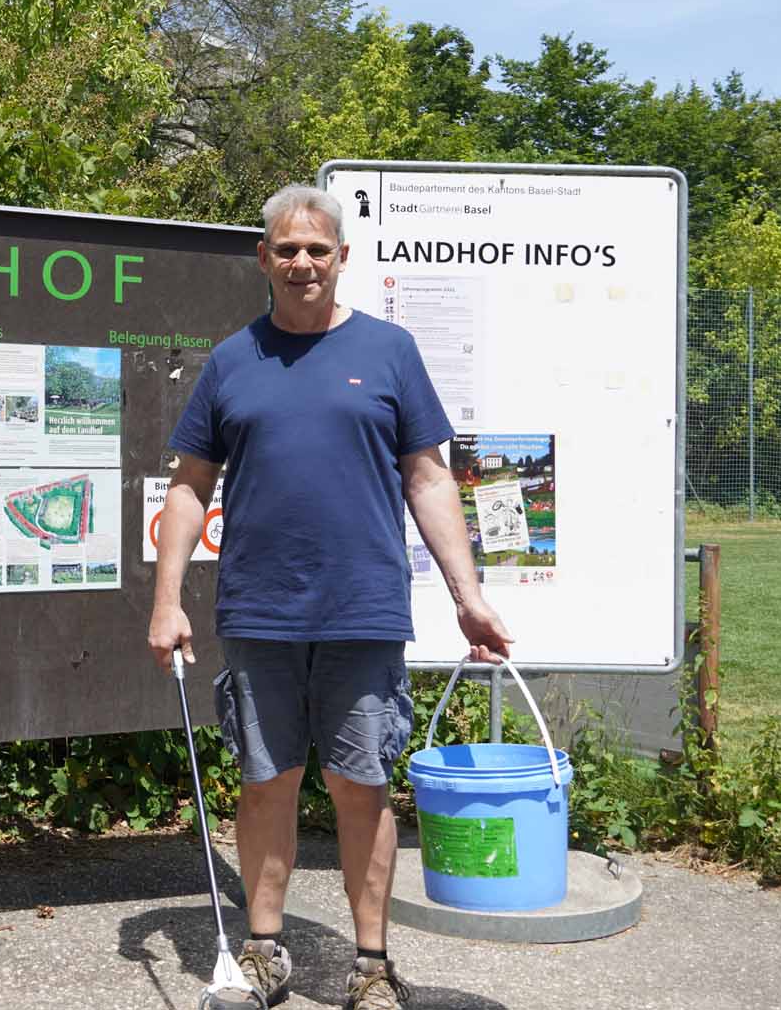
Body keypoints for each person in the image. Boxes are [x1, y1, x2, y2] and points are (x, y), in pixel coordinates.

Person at [147, 183, 513, 1009]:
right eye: (287, 248)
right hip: (260, 611)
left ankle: (372, 965)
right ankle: (265, 952)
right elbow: (187, 487)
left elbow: (428, 477)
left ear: (342, 256)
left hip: (363, 608)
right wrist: (166, 601)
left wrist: (468, 594)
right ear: (264, 259)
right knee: (266, 779)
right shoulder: (233, 359)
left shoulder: (390, 351)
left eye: (318, 248)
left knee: (362, 787)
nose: (303, 262)